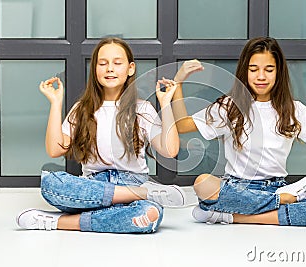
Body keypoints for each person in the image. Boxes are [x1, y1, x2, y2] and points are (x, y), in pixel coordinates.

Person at [172, 37, 306, 226]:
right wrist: (178, 83)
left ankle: (230, 216)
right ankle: (283, 201)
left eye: (269, 70)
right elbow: (182, 126)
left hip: (275, 186)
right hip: (237, 187)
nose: (261, 77)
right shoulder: (230, 106)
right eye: (254, 70)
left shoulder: (293, 109)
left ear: (278, 72)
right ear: (244, 71)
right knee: (202, 183)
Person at [16, 37, 186, 234]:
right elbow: (55, 149)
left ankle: (59, 222)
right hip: (94, 186)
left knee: (149, 215)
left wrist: (165, 104)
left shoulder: (143, 109)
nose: (110, 69)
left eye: (117, 63)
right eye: (103, 63)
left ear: (130, 68)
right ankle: (138, 196)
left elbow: (170, 150)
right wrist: (56, 103)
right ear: (95, 70)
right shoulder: (82, 109)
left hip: (130, 183)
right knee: (50, 184)